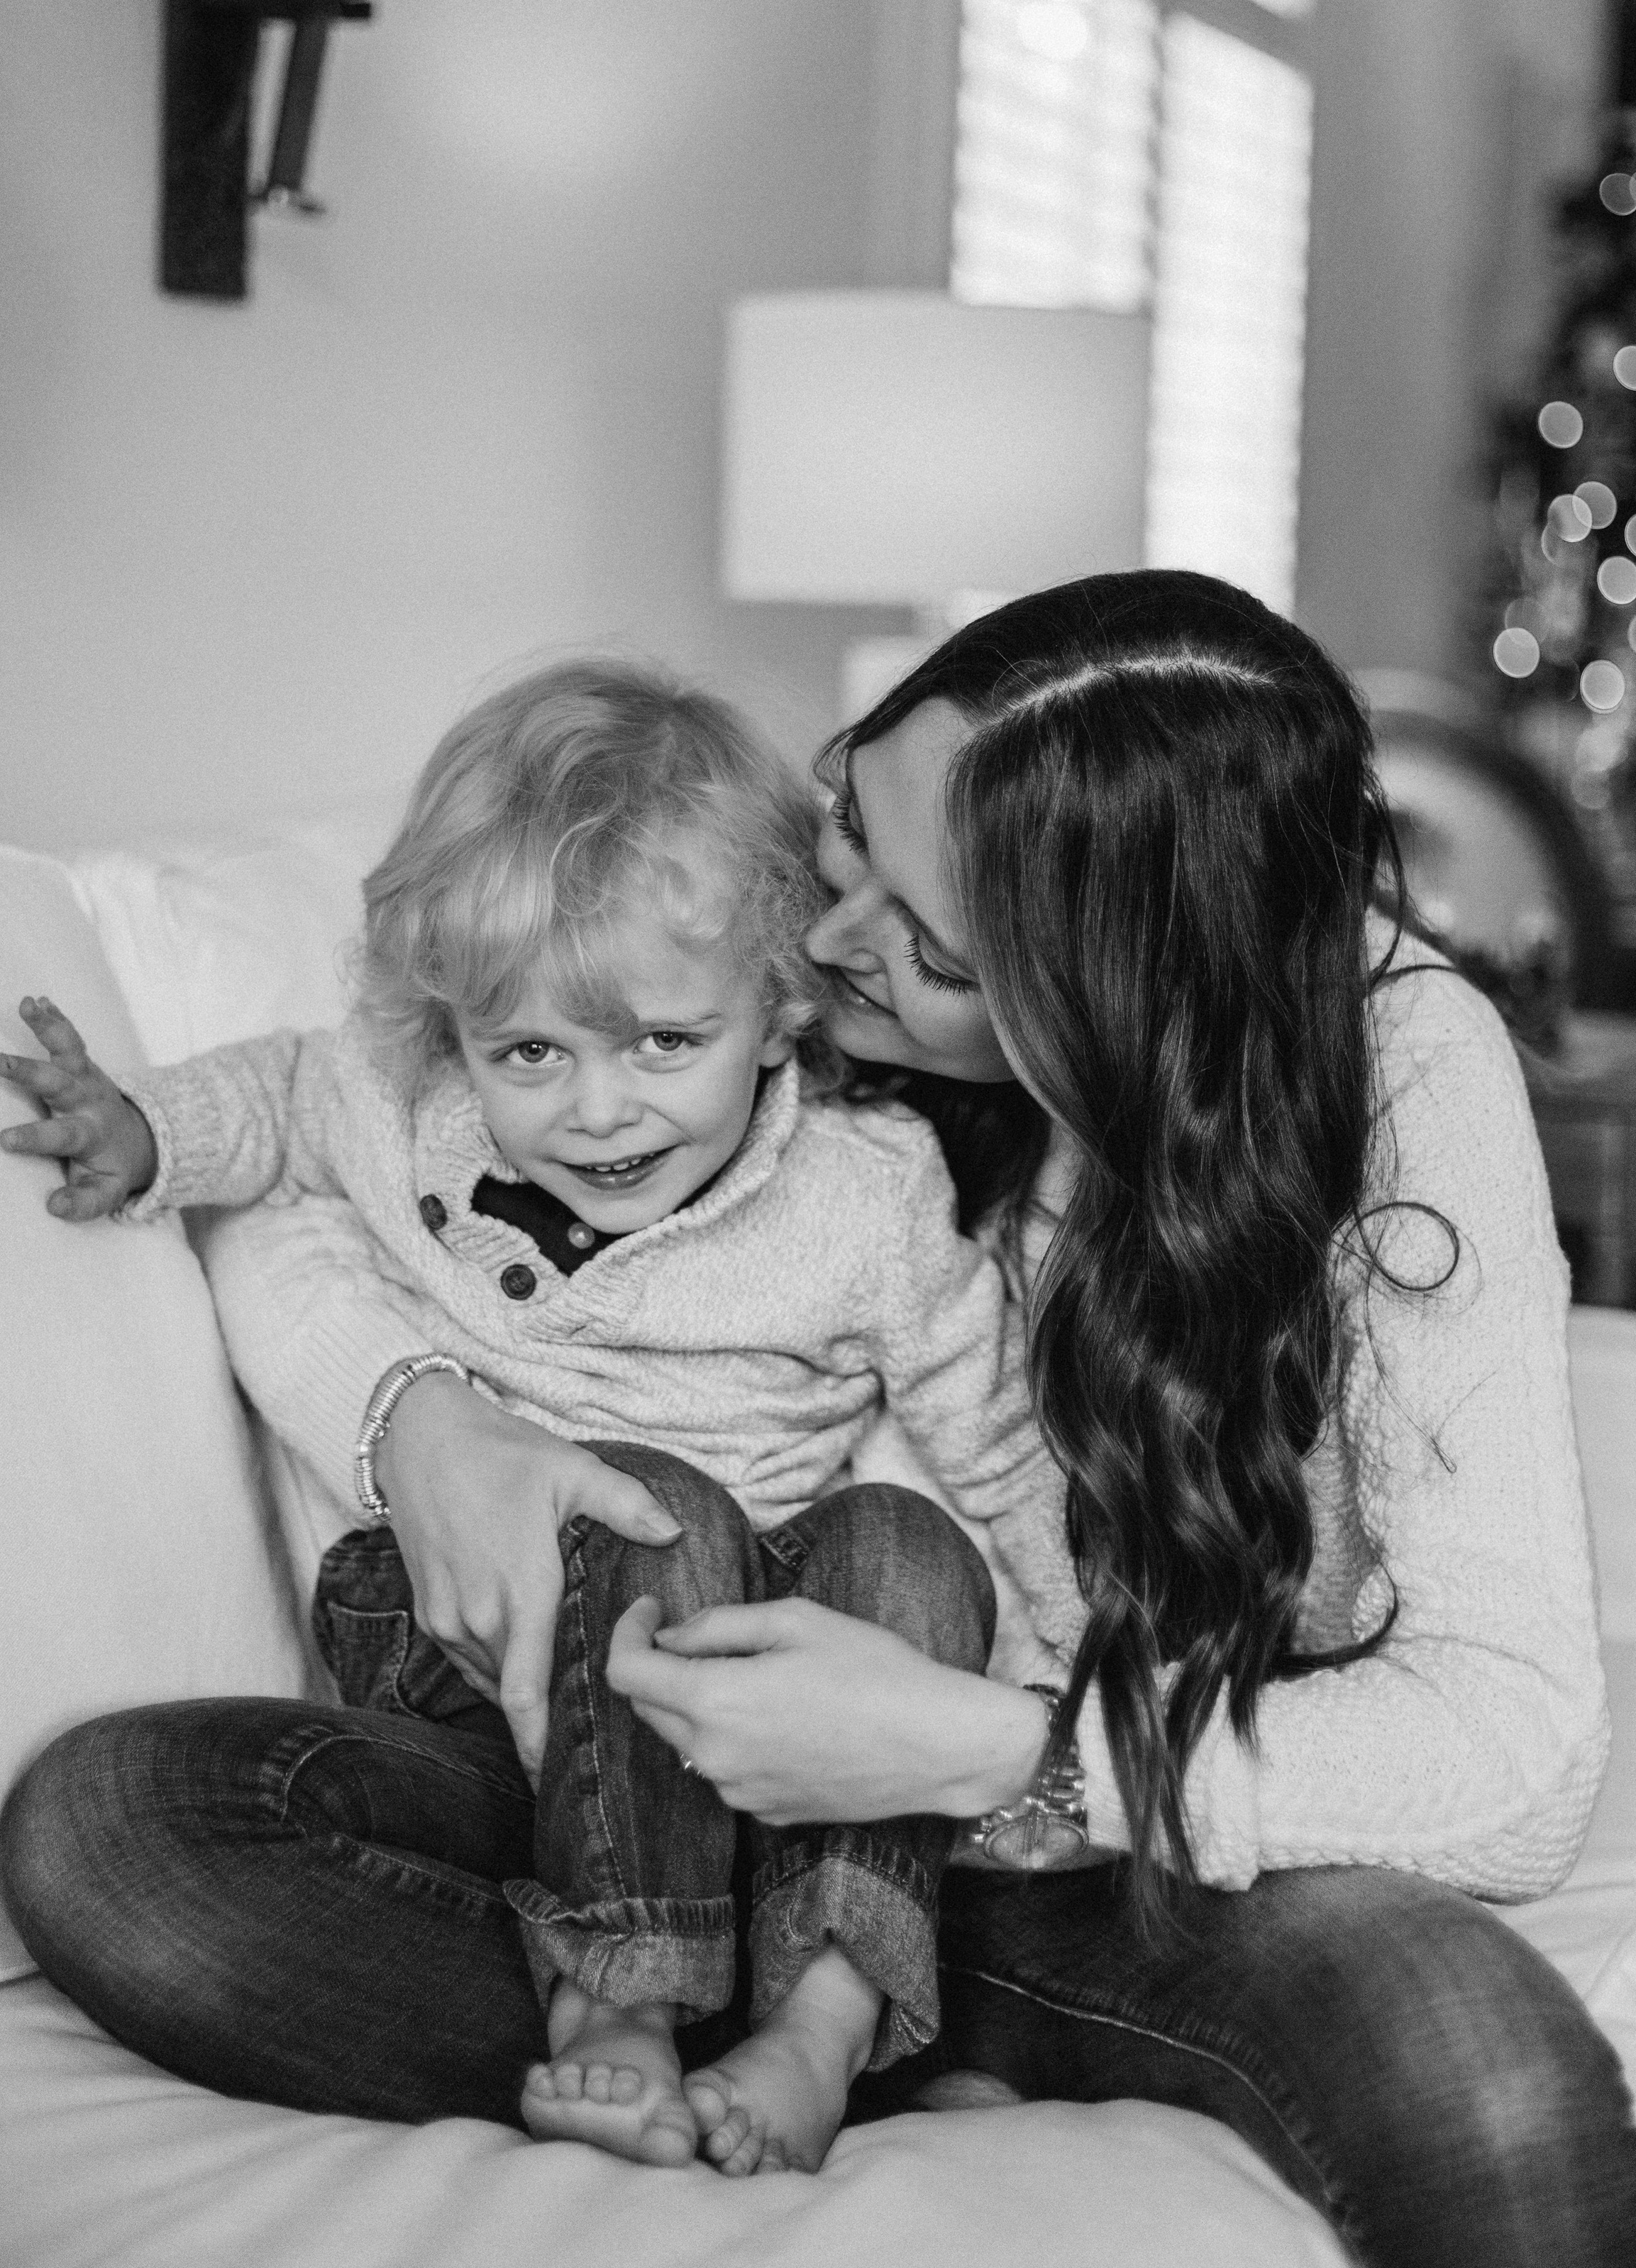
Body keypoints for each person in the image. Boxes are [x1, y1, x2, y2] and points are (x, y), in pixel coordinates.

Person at [1, 574, 1636, 2264]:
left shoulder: (1390, 1067)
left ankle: (827, 2016)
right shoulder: (715, 966)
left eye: (935, 948)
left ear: (1107, 991)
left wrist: (990, 1754)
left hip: (1041, 1827)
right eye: (847, 831)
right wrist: (420, 1427)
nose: (824, 941)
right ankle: (692, 2013)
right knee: (114, 1830)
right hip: (603, 1772)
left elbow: (1514, 1757)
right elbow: (307, 1180)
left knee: (1470, 2058)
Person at [0, 657, 1080, 2179]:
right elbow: (277, 1101)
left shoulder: (872, 1191)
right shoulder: (400, 1101)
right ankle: (617, 1993)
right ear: (454, 1029)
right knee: (640, 1504)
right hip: (482, 1668)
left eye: (663, 1043)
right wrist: (143, 1129)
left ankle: (820, 2022)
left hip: (767, 1714)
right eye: (530, 1054)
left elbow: (1000, 1447)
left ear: (780, 1010)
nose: (597, 1109)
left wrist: (1065, 1690)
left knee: (906, 1542)